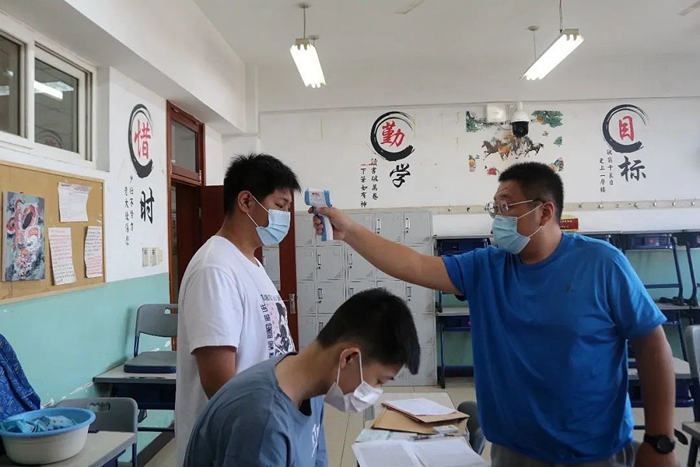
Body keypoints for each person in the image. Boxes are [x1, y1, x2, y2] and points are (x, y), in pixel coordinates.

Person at [311, 162, 677, 467]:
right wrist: (350, 231)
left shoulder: (602, 264)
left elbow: (652, 344)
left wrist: (660, 440)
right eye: (495, 207)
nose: (497, 217)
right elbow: (415, 265)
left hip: (595, 452)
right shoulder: (486, 267)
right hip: (512, 451)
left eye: (507, 206)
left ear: (545, 211)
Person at [184, 288, 421, 467]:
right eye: (379, 381)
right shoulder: (264, 422)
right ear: (348, 358)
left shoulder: (311, 388)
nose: (375, 392)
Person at [175, 153, 301, 466]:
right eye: (281, 205)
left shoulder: (251, 263)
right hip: (232, 443)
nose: (286, 217)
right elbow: (218, 381)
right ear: (246, 201)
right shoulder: (214, 268)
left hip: (262, 432)